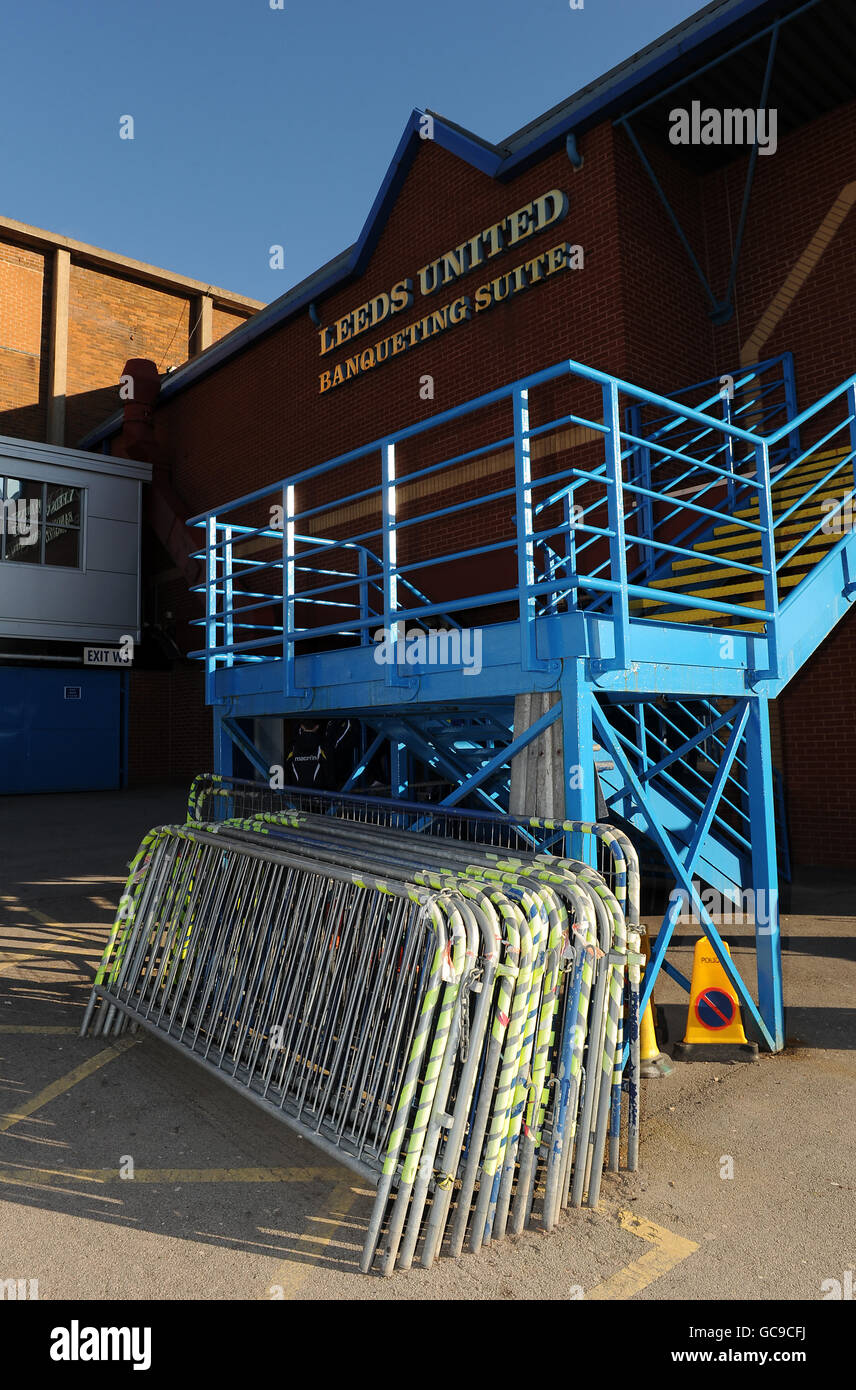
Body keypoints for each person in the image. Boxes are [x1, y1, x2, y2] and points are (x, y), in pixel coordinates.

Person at [284, 719, 331, 788]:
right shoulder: (323, 745)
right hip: (318, 792)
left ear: (302, 726)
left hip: (296, 791)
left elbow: (287, 768)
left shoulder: (293, 745)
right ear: (317, 727)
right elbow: (328, 770)